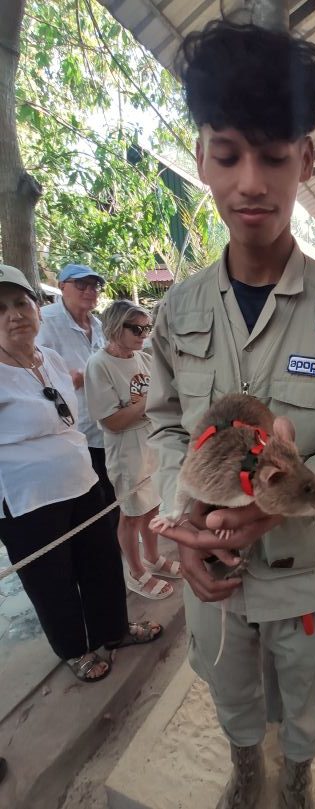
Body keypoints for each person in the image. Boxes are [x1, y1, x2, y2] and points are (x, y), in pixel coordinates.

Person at [146, 21, 315, 809]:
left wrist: (290, 488)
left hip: (305, 575)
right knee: (232, 693)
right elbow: (163, 424)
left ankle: (297, 773)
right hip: (211, 576)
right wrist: (186, 522)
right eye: (227, 154)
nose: (251, 181)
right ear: (201, 160)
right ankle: (247, 766)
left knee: (305, 696)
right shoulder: (176, 312)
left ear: (305, 160)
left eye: (274, 155)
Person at [0, 265, 162, 683]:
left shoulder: (49, 358)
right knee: (52, 578)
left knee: (102, 561)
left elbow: (68, 417)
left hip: (82, 478)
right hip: (27, 499)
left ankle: (115, 630)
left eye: (20, 303)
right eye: (0, 308)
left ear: (36, 308)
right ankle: (75, 649)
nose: (14, 314)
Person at [85, 300, 180, 600]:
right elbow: (112, 421)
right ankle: (136, 572)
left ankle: (152, 557)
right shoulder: (99, 364)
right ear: (115, 328)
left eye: (146, 328)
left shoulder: (143, 357)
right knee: (131, 513)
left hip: (151, 441)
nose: (143, 334)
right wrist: (149, 402)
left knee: (152, 505)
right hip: (126, 448)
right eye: (136, 328)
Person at [37, 264, 117, 524]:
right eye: (81, 285)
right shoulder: (44, 321)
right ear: (62, 287)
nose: (89, 291)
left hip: (106, 424)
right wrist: (77, 379)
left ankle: (115, 548)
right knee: (89, 501)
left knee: (113, 491)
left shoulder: (100, 324)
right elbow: (34, 375)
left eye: (94, 286)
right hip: (71, 429)